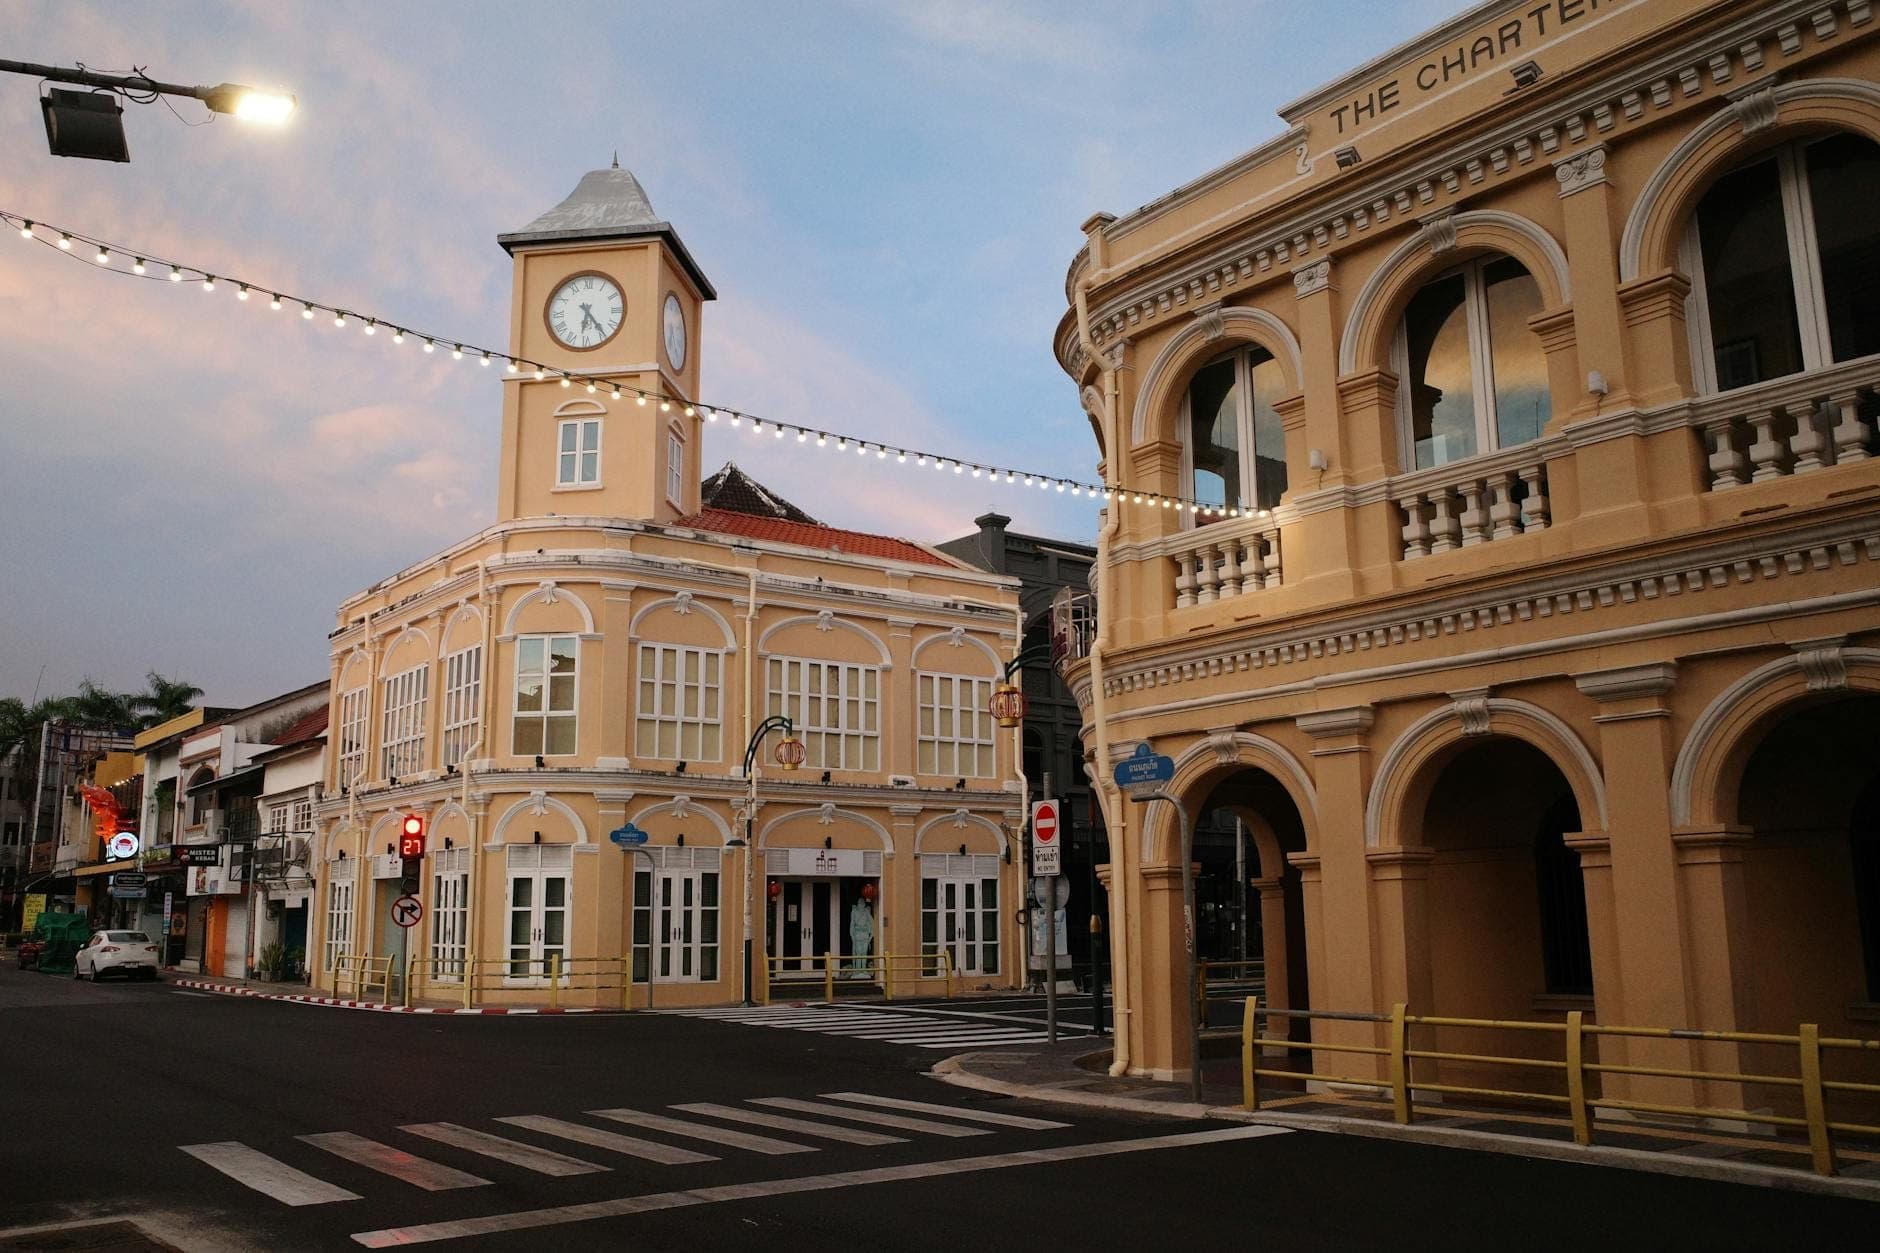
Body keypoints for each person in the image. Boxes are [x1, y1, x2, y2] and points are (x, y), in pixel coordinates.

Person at [847, 896, 874, 977]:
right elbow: (852, 924)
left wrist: (871, 934)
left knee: (864, 953)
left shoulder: (866, 912)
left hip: (865, 934)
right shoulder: (854, 912)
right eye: (860, 903)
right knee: (858, 952)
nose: (861, 905)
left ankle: (863, 969)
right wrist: (852, 935)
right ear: (858, 904)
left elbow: (871, 922)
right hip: (857, 934)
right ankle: (858, 970)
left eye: (863, 903)